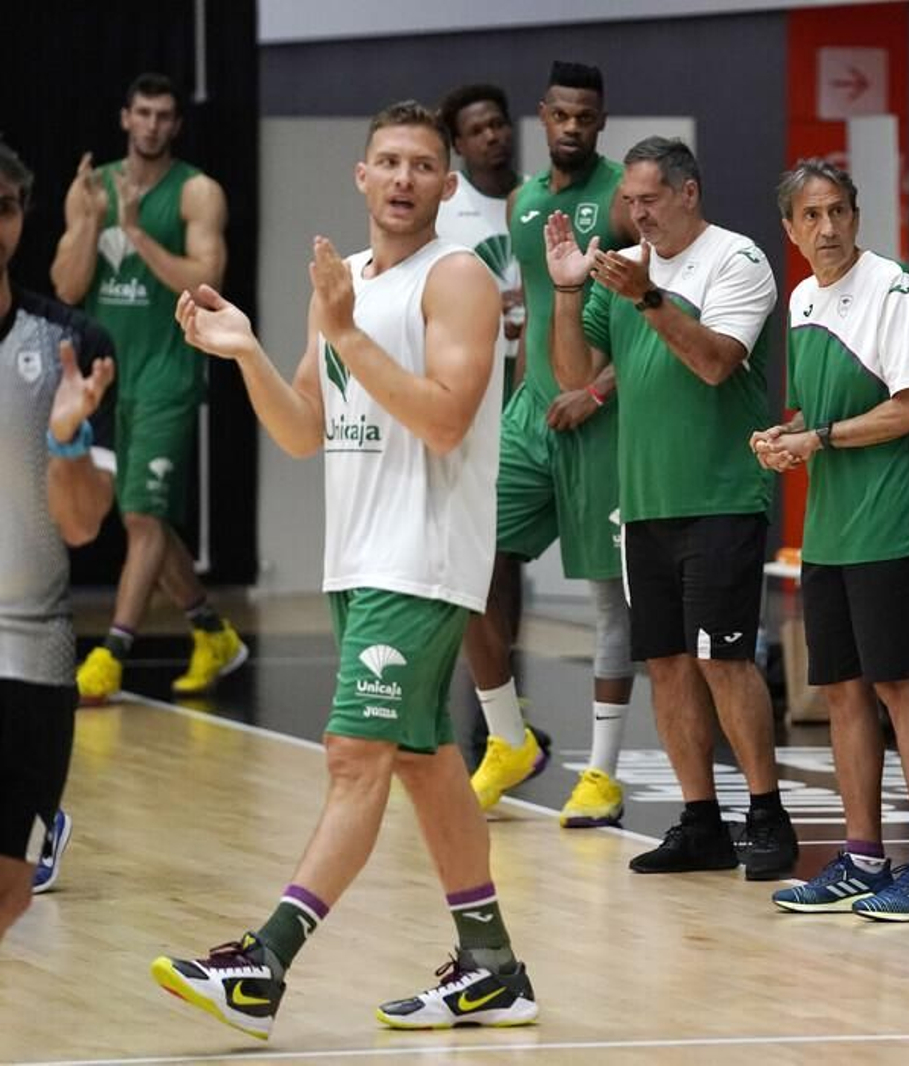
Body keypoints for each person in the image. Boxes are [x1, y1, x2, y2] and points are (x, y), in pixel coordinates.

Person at [151, 101, 537, 1039]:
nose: (404, 178)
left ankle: (263, 961)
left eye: (422, 166)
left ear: (448, 186)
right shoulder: (348, 281)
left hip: (423, 556)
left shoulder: (460, 281)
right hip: (357, 559)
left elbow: (446, 417)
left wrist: (346, 332)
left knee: (354, 755)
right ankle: (491, 967)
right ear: (360, 177)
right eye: (388, 162)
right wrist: (245, 348)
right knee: (421, 760)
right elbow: (300, 430)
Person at [545, 136, 798, 878]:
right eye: (630, 201)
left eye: (650, 199)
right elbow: (571, 372)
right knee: (666, 664)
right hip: (645, 502)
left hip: (720, 494)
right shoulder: (624, 270)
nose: (638, 213)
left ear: (688, 192)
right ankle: (699, 822)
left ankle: (766, 812)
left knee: (723, 660)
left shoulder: (738, 260)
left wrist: (647, 298)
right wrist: (568, 289)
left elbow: (718, 363)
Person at [753, 159, 909, 920]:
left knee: (900, 687)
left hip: (893, 524)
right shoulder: (803, 297)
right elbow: (812, 413)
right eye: (811, 216)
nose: (829, 228)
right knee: (841, 691)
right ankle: (862, 858)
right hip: (830, 531)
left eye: (840, 211)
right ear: (790, 230)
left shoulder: (895, 289)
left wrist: (818, 438)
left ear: (858, 215)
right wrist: (783, 438)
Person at [466, 62, 640, 828]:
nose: (573, 127)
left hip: (600, 419)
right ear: (544, 116)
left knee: (608, 599)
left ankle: (600, 776)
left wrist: (595, 389)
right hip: (530, 413)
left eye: (587, 117)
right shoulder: (523, 202)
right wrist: (517, 399)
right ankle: (508, 738)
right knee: (467, 562)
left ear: (601, 121)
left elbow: (642, 319)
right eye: (562, 115)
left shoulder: (628, 203)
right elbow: (535, 314)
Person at [50, 72, 245, 705]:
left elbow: (205, 277)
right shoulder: (92, 186)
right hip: (107, 377)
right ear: (125, 118)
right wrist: (93, 225)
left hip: (168, 370)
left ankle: (113, 650)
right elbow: (68, 287)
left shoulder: (197, 192)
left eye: (165, 115)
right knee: (144, 517)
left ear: (176, 125)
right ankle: (211, 631)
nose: (153, 124)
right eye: (143, 113)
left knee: (141, 515)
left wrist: (135, 233)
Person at [0, 140, 117, 942]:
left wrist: (68, 439)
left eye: (2, 209)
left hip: (27, 653)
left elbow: (81, 525)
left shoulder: (71, 348)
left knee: (9, 895)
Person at [435, 82, 525, 397]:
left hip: (531, 368)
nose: (491, 136)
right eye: (476, 131)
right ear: (457, 145)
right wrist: (484, 311)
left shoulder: (539, 196)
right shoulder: (442, 204)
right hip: (467, 369)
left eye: (497, 125)